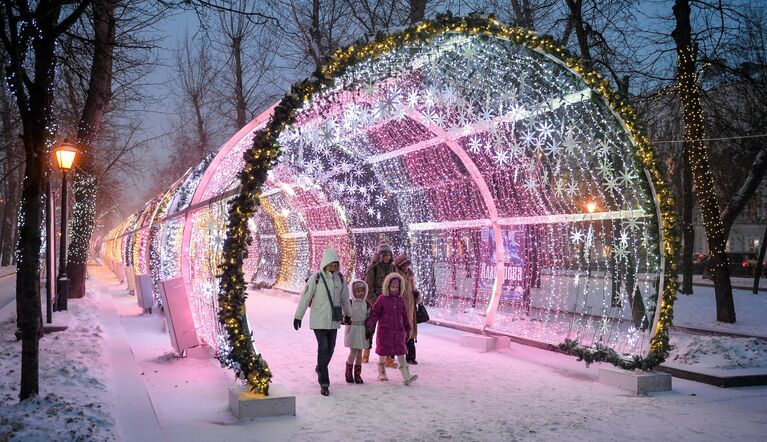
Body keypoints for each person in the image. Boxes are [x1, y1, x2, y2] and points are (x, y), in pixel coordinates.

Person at [294, 248, 351, 396]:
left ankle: (320, 367)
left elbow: (345, 298)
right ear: (325, 264)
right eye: (331, 265)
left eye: (335, 265)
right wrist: (298, 316)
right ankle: (324, 383)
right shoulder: (316, 278)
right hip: (319, 320)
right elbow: (306, 298)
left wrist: (349, 314)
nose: (333, 268)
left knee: (331, 348)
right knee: (323, 347)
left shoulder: (340, 279)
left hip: (333, 320)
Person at [365, 273, 418, 385]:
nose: (394, 289)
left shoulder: (401, 301)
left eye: (397, 287)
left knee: (401, 353)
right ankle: (382, 372)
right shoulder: (382, 299)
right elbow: (375, 313)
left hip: (399, 332)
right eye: (392, 287)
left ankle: (406, 375)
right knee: (383, 353)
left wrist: (408, 328)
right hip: (385, 331)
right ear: (387, 287)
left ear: (400, 288)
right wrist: (370, 324)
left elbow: (405, 316)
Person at [364, 243, 396, 366]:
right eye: (384, 255)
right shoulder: (373, 267)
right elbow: (368, 287)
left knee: (387, 332)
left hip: (388, 304)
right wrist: (375, 303)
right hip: (375, 303)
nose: (387, 257)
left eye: (389, 255)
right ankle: (366, 352)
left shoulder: (392, 268)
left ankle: (387, 357)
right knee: (370, 329)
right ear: (380, 255)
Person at [393, 254, 420, 365]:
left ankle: (410, 356)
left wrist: (416, 296)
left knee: (410, 331)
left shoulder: (410, 275)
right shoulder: (396, 276)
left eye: (407, 264)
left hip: (410, 307)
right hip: (399, 307)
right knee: (397, 331)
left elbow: (413, 289)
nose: (406, 267)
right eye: (404, 265)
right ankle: (391, 355)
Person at [343, 279, 370, 384]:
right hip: (353, 329)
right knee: (353, 351)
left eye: (362, 291)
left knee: (359, 353)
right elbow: (345, 313)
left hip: (362, 329)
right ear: (353, 292)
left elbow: (369, 316)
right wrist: (346, 318)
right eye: (357, 291)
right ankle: (348, 372)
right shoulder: (350, 303)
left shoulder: (366, 304)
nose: (360, 293)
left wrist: (369, 327)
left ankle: (358, 374)